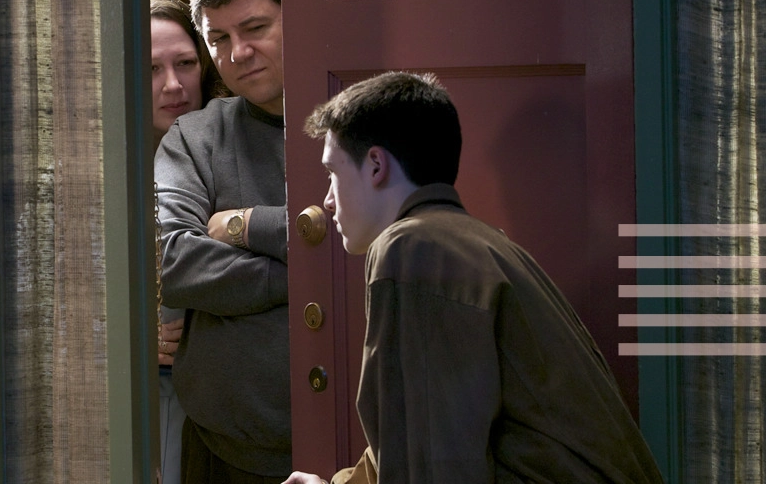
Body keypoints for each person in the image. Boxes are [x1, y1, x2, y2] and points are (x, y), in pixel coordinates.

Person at [283, 72, 663, 484]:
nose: (326, 199)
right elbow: (430, 438)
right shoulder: (477, 242)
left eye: (333, 174)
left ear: (375, 164)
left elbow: (434, 469)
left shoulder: (413, 248)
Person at [155, 0, 290, 483]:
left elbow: (382, 242)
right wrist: (312, 270)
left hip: (363, 447)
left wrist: (246, 224)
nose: (237, 53)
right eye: (218, 38)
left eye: (254, 28)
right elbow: (172, 261)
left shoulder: (358, 118)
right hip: (222, 452)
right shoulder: (194, 137)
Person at [150, 0, 227, 484]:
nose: (174, 85)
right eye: (152, 69)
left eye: (185, 63)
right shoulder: (90, 175)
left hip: (217, 392)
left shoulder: (229, 146)